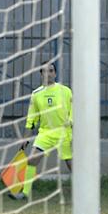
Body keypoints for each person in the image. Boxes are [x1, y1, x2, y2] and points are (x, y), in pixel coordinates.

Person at [9, 60, 72, 200]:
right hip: (45, 133)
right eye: (45, 71)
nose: (48, 73)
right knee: (32, 160)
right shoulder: (36, 94)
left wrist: (72, 124)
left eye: (51, 71)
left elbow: (72, 111)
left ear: (55, 74)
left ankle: (84, 193)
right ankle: (24, 193)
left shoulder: (65, 91)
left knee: (71, 165)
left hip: (64, 132)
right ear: (41, 74)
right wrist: (25, 138)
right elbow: (31, 119)